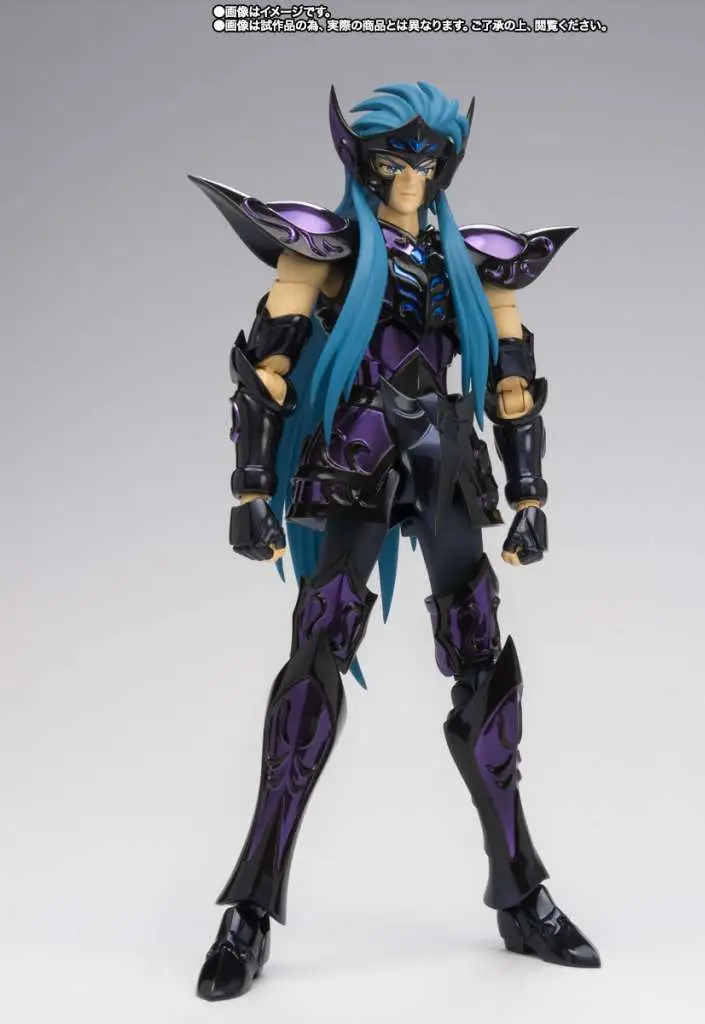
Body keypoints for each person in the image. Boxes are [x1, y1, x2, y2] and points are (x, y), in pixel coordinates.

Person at [189, 81, 600, 1002]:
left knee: (482, 665)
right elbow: (266, 369)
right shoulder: (324, 249)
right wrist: (249, 486)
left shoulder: (476, 260)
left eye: (427, 161)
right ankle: (249, 908)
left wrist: (529, 494)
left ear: (447, 165)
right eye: (392, 161)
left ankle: (520, 892)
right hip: (357, 456)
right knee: (315, 663)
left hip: (447, 461)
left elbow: (513, 383)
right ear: (360, 162)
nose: (411, 179)